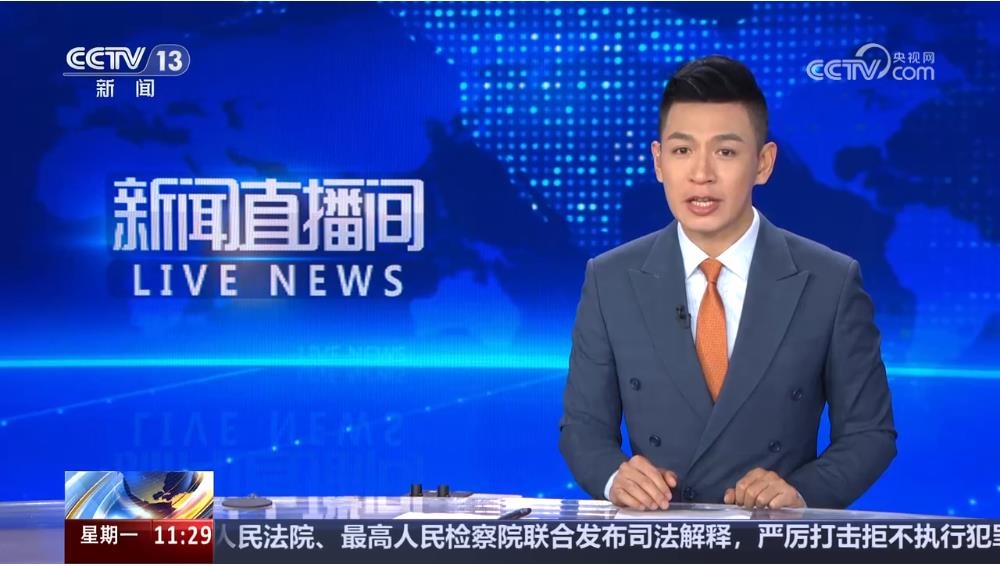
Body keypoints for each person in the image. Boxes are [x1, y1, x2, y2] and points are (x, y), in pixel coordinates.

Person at [558, 55, 897, 510]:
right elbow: (582, 429)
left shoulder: (830, 282)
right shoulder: (610, 279)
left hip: (772, 537)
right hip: (657, 535)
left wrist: (802, 492)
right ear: (658, 161)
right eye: (682, 151)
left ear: (763, 163)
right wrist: (615, 476)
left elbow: (869, 434)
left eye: (726, 152)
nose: (701, 174)